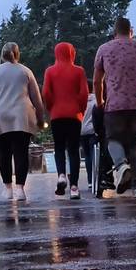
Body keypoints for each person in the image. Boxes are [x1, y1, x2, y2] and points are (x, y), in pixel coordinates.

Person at [0, 42, 47, 202]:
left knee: (4, 153)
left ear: (2, 55)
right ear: (17, 54)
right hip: (22, 116)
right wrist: (40, 118)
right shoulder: (25, 71)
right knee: (21, 153)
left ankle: (8, 188)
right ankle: (20, 189)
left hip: (1, 117)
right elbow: (37, 99)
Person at [93, 17, 136, 196]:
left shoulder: (104, 49)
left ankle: (121, 165)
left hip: (115, 104)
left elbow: (97, 81)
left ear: (114, 31)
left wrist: (99, 102)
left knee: (113, 139)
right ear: (131, 31)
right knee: (135, 143)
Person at [42, 42, 89, 199]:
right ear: (72, 53)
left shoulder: (50, 71)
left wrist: (51, 108)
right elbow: (84, 94)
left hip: (57, 115)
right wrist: (80, 110)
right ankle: (74, 187)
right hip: (74, 115)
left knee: (59, 148)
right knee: (74, 151)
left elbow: (46, 93)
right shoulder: (79, 71)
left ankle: (61, 175)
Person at [80, 93, 99, 191]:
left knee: (87, 155)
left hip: (82, 131)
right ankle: (96, 178)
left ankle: (90, 181)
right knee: (94, 154)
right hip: (92, 131)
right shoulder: (96, 101)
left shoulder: (80, 100)